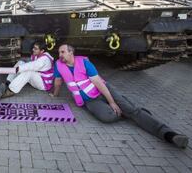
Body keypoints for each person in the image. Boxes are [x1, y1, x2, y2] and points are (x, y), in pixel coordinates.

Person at [52, 44, 189, 149]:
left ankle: (169, 134)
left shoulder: (84, 62)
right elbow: (58, 82)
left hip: (105, 91)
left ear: (71, 52)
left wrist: (112, 102)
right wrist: (54, 95)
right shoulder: (59, 65)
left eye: (62, 52)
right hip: (89, 101)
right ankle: (129, 113)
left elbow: (99, 83)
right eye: (59, 52)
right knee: (107, 117)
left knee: (131, 110)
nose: (60, 54)